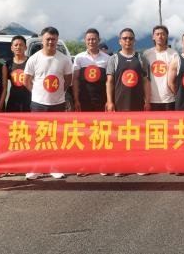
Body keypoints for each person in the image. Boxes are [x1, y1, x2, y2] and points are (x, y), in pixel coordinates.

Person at [23, 26, 73, 180]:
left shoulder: (64, 59)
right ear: (42, 40)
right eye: (48, 39)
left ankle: (54, 167)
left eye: (53, 39)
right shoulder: (34, 59)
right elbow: (26, 81)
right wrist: (37, 93)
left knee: (55, 136)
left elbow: (68, 79)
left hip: (58, 103)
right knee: (38, 137)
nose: (50, 42)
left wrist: (59, 94)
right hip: (38, 104)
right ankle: (36, 167)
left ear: (57, 40)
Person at [106, 28, 151, 112]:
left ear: (134, 41)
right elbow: (109, 82)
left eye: (130, 38)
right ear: (120, 41)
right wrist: (109, 102)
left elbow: (146, 82)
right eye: (125, 38)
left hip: (138, 104)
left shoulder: (141, 59)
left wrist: (147, 101)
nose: (128, 40)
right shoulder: (113, 59)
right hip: (118, 104)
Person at [73, 28, 110, 112]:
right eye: (88, 39)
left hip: (102, 100)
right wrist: (76, 100)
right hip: (83, 100)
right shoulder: (79, 58)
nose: (91, 42)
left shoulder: (107, 58)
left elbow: (109, 81)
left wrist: (109, 100)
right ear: (85, 41)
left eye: (93, 39)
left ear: (99, 40)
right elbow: (75, 80)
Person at [143, 25, 179, 111]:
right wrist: (145, 99)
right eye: (157, 34)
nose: (160, 36)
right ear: (153, 37)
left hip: (169, 99)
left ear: (166, 36)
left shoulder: (174, 54)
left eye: (163, 34)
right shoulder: (147, 54)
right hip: (151, 100)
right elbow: (144, 78)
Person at [6, 35, 32, 112]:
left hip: (29, 100)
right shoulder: (8, 64)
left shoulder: (31, 62)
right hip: (13, 101)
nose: (18, 47)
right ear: (12, 48)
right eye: (16, 45)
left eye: (21, 45)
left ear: (25, 47)